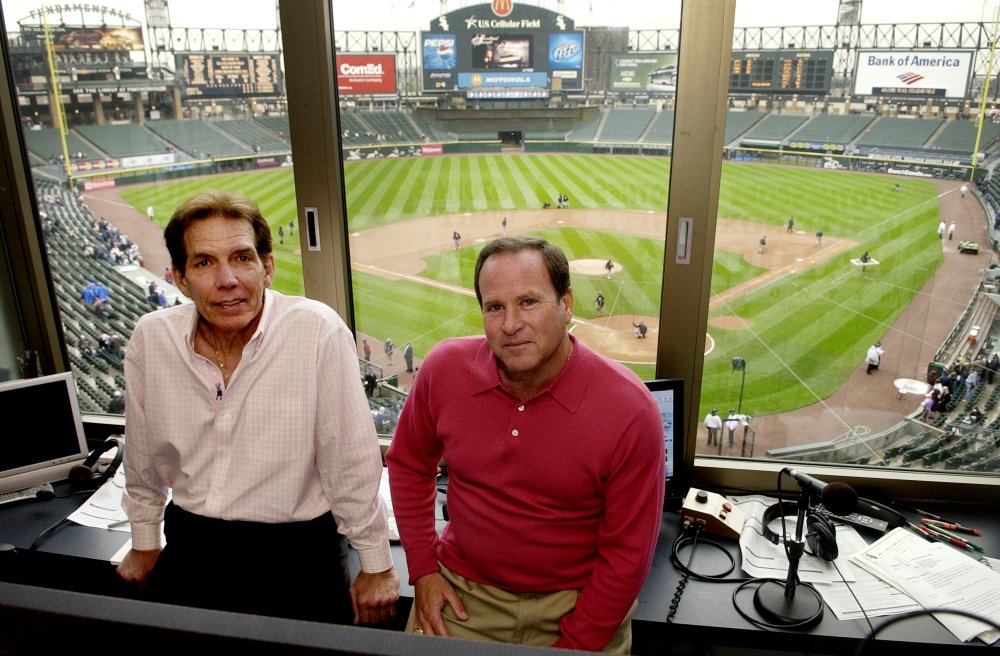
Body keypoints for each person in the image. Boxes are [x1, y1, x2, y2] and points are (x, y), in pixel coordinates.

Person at [117, 191, 398, 625]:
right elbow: (140, 456)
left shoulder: (316, 331)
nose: (227, 279)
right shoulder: (152, 339)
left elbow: (351, 462)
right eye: (204, 262)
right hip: (192, 543)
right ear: (179, 278)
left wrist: (376, 565)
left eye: (242, 258)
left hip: (296, 556)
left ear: (267, 268)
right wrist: (144, 538)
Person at [386, 235, 664, 652]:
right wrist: (423, 571)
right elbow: (408, 463)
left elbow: (628, 555)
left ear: (566, 304)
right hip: (464, 595)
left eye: (529, 302)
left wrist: (577, 645)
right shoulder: (444, 369)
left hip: (577, 604)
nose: (511, 324)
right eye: (495, 307)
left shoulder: (631, 409)